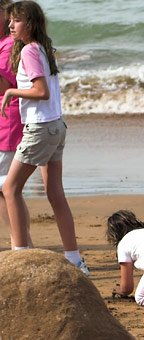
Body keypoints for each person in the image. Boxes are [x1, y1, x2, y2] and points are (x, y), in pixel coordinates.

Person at [0, 1, 87, 274]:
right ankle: (75, 260)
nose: (11, 25)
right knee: (54, 194)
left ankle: (21, 256)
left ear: (31, 24)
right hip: (55, 126)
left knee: (9, 189)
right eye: (10, 21)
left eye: (17, 21)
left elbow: (41, 91)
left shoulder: (28, 50)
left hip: (40, 129)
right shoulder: (44, 48)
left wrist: (11, 93)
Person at [0, 0, 31, 249]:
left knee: (6, 189)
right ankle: (20, 244)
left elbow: (3, 84)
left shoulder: (10, 44)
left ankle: (20, 245)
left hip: (7, 125)